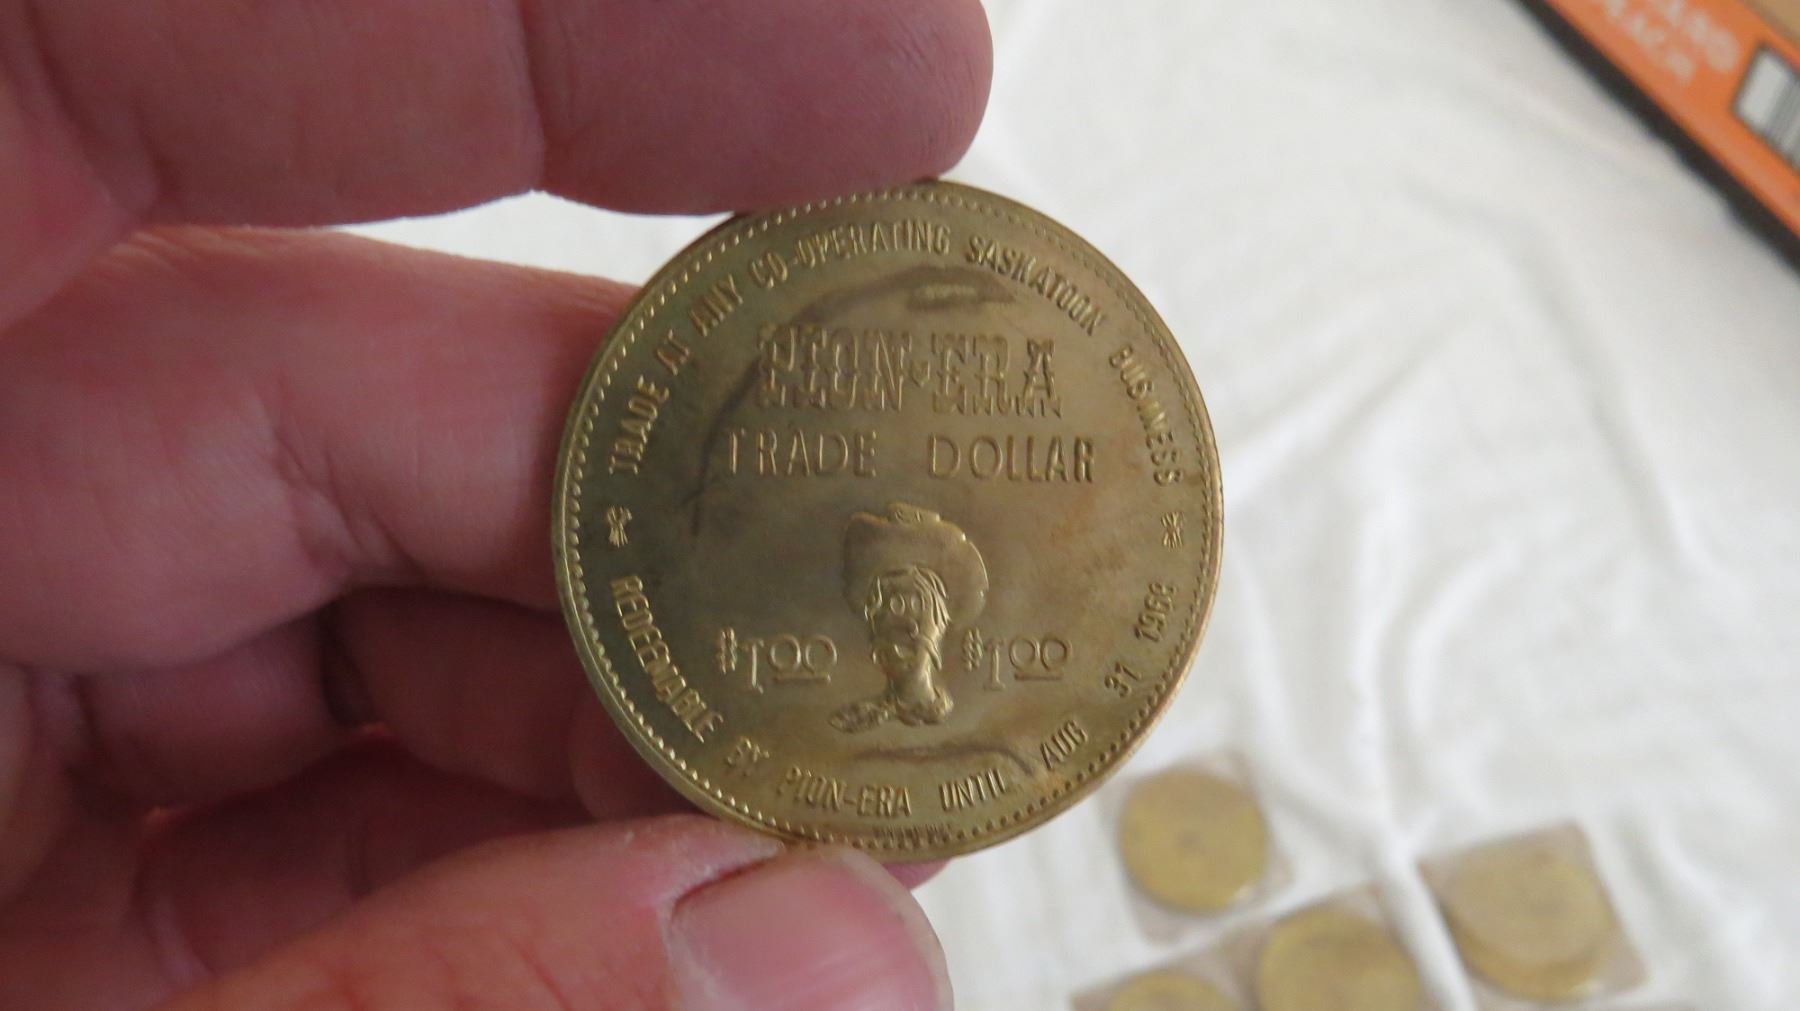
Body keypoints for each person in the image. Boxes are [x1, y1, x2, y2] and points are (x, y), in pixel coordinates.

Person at [0, 2, 992, 1008]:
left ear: (941, 610)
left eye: (902, 599)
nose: (884, 614)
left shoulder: (959, 726)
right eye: (876, 595)